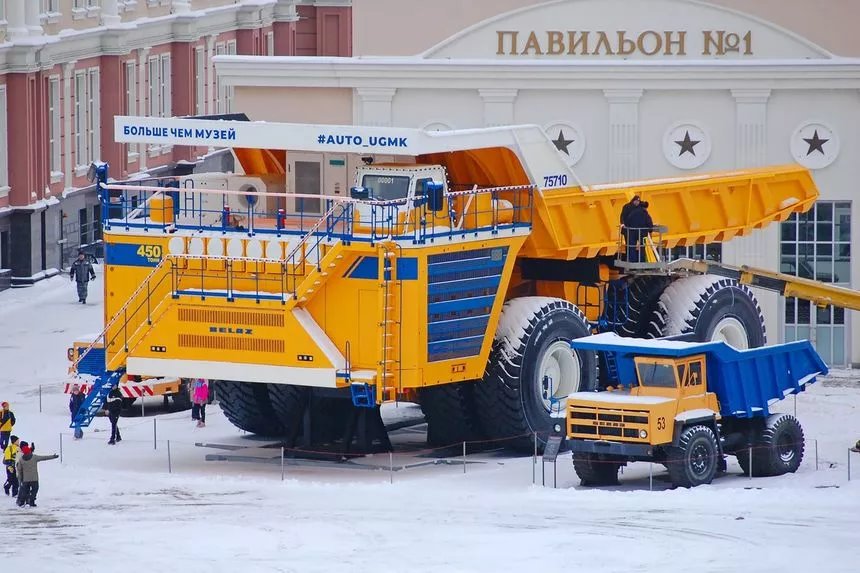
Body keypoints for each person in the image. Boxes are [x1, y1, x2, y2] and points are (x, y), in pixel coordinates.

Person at [15, 442, 59, 508]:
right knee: (35, 490)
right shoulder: (34, 457)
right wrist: (53, 456)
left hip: (25, 479)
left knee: (25, 491)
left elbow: (19, 470)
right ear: (29, 451)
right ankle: (31, 501)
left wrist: (20, 478)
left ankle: (23, 501)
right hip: (34, 478)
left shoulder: (21, 460)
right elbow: (44, 458)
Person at [621, 196, 654, 263]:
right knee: (641, 247)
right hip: (641, 233)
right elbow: (649, 222)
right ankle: (641, 261)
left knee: (631, 247)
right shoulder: (644, 213)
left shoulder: (633, 212)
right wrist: (650, 230)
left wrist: (626, 226)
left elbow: (627, 221)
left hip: (631, 232)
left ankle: (631, 261)